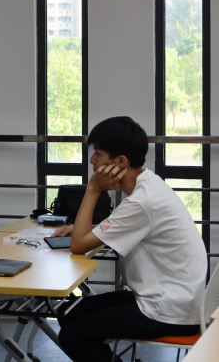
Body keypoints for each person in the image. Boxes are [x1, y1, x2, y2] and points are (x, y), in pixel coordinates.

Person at [53, 116, 206, 362]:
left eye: (98, 154)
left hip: (167, 311)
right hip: (174, 299)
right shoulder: (147, 183)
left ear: (120, 162)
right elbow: (119, 226)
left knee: (74, 334)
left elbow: (78, 246)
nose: (92, 161)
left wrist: (93, 189)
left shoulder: (141, 201)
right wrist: (81, 228)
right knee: (71, 313)